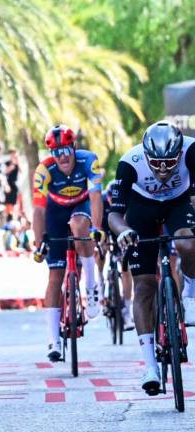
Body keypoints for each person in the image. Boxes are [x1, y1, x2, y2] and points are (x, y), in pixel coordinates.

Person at [108, 122, 195, 394]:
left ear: (179, 153)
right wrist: (123, 232)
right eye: (155, 163)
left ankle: (189, 294)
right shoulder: (129, 163)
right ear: (145, 155)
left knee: (188, 244)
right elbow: (114, 215)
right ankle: (150, 367)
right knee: (144, 286)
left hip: (178, 204)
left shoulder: (192, 150)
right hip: (141, 208)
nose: (162, 170)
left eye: (169, 162)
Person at [31, 125, 104, 363]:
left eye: (66, 149)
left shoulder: (89, 160)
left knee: (80, 226)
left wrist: (97, 230)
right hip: (55, 212)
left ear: (74, 147)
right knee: (54, 276)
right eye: (57, 151)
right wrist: (39, 240)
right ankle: (53, 339)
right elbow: (39, 210)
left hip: (81, 206)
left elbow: (95, 197)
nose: (62, 156)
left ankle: (92, 285)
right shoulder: (44, 169)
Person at [97, 180, 133, 331]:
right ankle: (99, 281)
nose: (112, 201)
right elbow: (98, 223)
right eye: (111, 199)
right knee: (101, 250)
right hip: (105, 226)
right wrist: (101, 242)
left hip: (120, 228)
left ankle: (126, 308)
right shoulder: (102, 201)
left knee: (127, 268)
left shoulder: (127, 200)